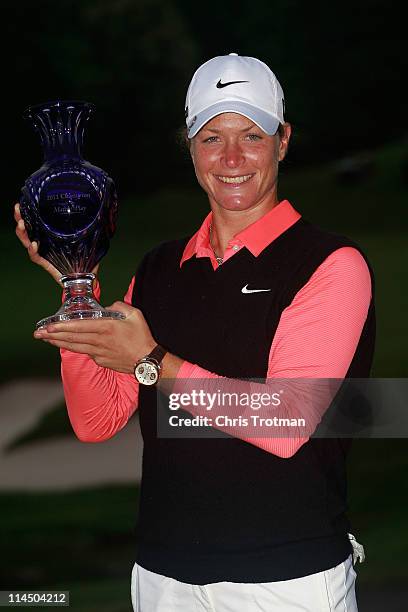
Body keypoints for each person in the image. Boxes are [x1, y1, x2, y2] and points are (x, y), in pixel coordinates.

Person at [15, 53, 375, 611]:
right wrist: (75, 284)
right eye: (211, 138)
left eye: (250, 135)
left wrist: (155, 361)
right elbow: (96, 420)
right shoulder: (159, 269)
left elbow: (285, 422)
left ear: (283, 140)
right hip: (164, 576)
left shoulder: (330, 264)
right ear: (189, 147)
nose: (232, 158)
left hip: (285, 578)